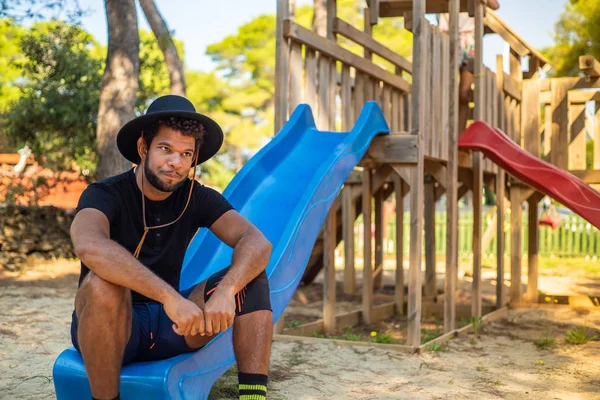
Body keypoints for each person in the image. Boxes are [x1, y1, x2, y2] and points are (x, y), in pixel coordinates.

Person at [69, 95, 273, 400]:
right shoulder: (104, 194)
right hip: (111, 328)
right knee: (103, 285)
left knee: (251, 277)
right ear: (143, 148)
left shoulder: (197, 197)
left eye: (185, 153)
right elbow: (90, 246)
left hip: (173, 327)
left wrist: (227, 290)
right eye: (166, 149)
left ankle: (253, 397)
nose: (175, 162)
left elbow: (257, 242)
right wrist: (168, 297)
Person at [437, 0, 499, 133]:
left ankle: (459, 133)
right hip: (446, 37)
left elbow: (494, 5)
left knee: (464, 92)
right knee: (444, 88)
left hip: (468, 38)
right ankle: (444, 130)